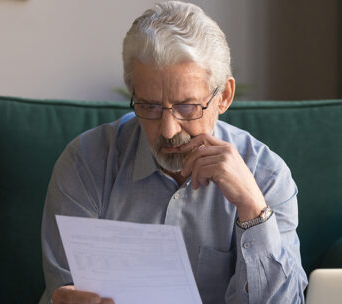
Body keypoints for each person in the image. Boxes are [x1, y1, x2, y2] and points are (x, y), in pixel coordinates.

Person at [40, 1, 308, 303]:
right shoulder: (86, 162)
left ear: (224, 97)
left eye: (187, 107)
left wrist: (253, 211)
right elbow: (65, 288)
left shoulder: (268, 177)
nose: (168, 130)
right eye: (149, 106)